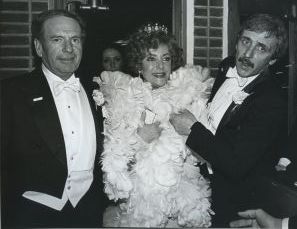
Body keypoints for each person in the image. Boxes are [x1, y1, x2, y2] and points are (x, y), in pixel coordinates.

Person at [169, 14, 288, 227]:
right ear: (236, 42)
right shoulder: (226, 67)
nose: (248, 54)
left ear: (273, 59)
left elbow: (235, 163)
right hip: (200, 185)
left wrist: (192, 129)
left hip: (236, 204)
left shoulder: (272, 101)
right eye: (246, 41)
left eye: (261, 48)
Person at [92, 23, 214, 227]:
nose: (160, 66)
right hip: (140, 210)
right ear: (139, 64)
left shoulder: (189, 99)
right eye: (151, 58)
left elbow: (205, 158)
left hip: (183, 207)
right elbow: (113, 171)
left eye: (165, 59)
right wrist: (140, 140)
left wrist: (190, 133)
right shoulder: (123, 101)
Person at [1, 9, 108, 228]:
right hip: (30, 217)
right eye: (57, 39)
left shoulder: (98, 89)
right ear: (39, 47)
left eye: (75, 39)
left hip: (89, 214)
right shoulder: (10, 93)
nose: (69, 49)